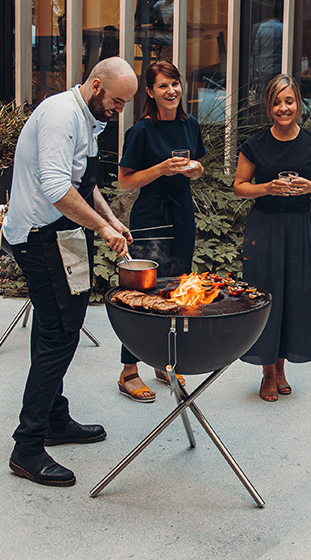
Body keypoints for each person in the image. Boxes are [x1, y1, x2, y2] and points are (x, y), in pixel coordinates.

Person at [2, 57, 137, 486]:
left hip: (66, 235)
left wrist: (110, 219)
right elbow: (57, 188)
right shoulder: (61, 115)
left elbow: (84, 185)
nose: (118, 111)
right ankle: (27, 446)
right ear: (96, 85)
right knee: (60, 331)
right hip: (40, 236)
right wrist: (101, 227)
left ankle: (55, 420)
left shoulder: (89, 117)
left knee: (59, 326)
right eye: (116, 102)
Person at [234, 74, 311, 402]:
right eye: (276, 102)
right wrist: (266, 188)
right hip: (265, 226)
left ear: (299, 104)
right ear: (268, 106)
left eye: (289, 101)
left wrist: (309, 186)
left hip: (298, 227)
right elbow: (239, 186)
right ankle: (265, 371)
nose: (283, 108)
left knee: (294, 296)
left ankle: (281, 367)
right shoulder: (255, 144)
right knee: (266, 296)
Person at [115, 60, 206, 403]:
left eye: (176, 84)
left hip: (182, 212)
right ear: (150, 92)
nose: (172, 91)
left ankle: (165, 362)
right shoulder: (140, 130)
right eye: (164, 86)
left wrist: (195, 168)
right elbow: (125, 182)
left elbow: (198, 167)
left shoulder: (190, 124)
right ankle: (128, 371)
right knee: (143, 294)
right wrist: (161, 169)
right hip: (151, 215)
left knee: (176, 288)